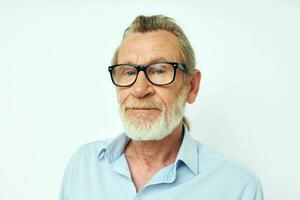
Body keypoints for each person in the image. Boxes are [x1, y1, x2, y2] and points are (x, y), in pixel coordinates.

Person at [59, 15, 264, 200]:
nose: (139, 90)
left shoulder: (238, 188)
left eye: (158, 71)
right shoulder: (84, 166)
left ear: (191, 87)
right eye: (129, 72)